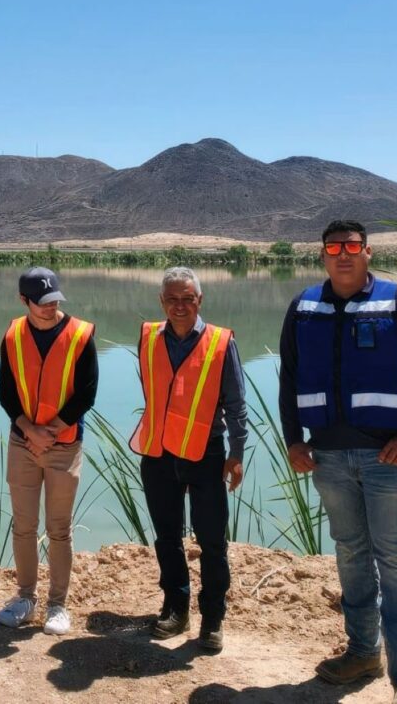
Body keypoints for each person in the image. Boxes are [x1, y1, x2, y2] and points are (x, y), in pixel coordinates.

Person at [280, 220, 397, 704]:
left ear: (367, 252)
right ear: (322, 255)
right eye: (333, 247)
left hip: (389, 458)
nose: (342, 254)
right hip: (328, 458)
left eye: (351, 247)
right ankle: (362, 653)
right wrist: (293, 440)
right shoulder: (304, 308)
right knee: (351, 555)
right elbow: (289, 378)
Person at [129, 266, 247, 653]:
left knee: (212, 541)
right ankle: (175, 607)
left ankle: (212, 618)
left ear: (200, 301)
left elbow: (236, 405)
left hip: (205, 454)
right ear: (162, 301)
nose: (180, 306)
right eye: (173, 299)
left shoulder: (220, 342)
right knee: (167, 537)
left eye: (188, 299)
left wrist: (236, 454)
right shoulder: (148, 338)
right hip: (158, 453)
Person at [0, 268, 97, 636]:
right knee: (23, 526)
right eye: (42, 304)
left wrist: (49, 432)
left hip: (63, 445)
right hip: (23, 443)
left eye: (55, 301)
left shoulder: (81, 334)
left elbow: (87, 393)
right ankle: (25, 597)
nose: (51, 308)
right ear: (24, 302)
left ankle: (58, 605)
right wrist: (29, 430)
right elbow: (6, 391)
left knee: (59, 529)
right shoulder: (12, 334)